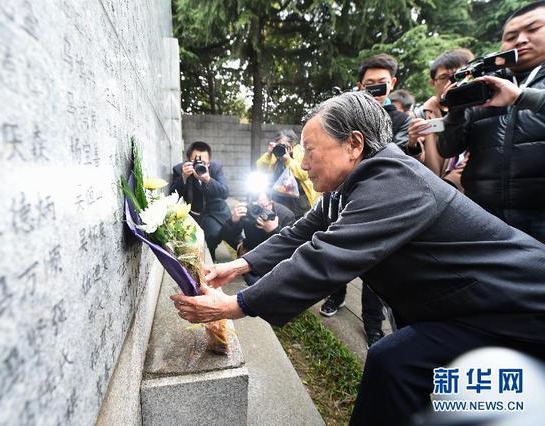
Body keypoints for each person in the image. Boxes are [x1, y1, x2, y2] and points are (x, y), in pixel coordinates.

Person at [170, 91, 545, 426]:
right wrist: (235, 266)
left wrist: (237, 304)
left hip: (517, 307)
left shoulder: (393, 178)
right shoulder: (348, 186)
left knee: (394, 363)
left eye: (311, 150)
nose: (303, 163)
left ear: (353, 144)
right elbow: (301, 232)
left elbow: (327, 256)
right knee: (404, 370)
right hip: (469, 307)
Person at [318, 54, 415, 346]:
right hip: (346, 199)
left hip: (383, 204)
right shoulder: (346, 120)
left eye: (380, 85)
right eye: (368, 85)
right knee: (338, 250)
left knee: (377, 269)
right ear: (360, 86)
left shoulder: (402, 121)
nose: (374, 91)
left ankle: (373, 326)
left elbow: (400, 162)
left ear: (392, 84)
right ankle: (336, 295)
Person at [439, 2, 545, 243]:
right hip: (486, 217)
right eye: (511, 36)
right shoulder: (482, 86)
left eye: (533, 29)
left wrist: (521, 97)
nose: (520, 40)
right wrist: (455, 112)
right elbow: (448, 149)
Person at [407, 48, 475, 187]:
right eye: (444, 78)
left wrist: (452, 182)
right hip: (434, 192)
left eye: (460, 75)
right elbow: (413, 166)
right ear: (432, 83)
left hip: (470, 194)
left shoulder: (482, 109)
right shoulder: (420, 115)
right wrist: (413, 144)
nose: (452, 83)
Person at [170, 141, 230, 259]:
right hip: (191, 213)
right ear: (187, 160)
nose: (199, 165)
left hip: (212, 213)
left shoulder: (216, 168)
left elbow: (224, 192)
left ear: (209, 161)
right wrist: (183, 177)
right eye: (195, 162)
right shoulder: (179, 169)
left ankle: (211, 254)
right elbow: (172, 194)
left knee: (213, 234)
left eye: (204, 162)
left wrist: (207, 179)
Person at [220, 191, 295, 285]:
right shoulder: (248, 212)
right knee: (254, 280)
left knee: (267, 281)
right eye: (256, 206)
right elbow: (226, 235)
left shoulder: (285, 215)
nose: (259, 210)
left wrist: (274, 230)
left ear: (271, 202)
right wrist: (233, 221)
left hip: (274, 257)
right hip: (252, 251)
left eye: (263, 206)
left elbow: (291, 248)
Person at [256, 129, 318, 218]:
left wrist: (288, 160)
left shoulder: (301, 153)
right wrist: (269, 154)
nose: (281, 148)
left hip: (299, 204)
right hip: (278, 202)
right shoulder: (275, 155)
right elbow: (260, 169)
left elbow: (305, 175)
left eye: (284, 145)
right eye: (279, 145)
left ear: (292, 145)